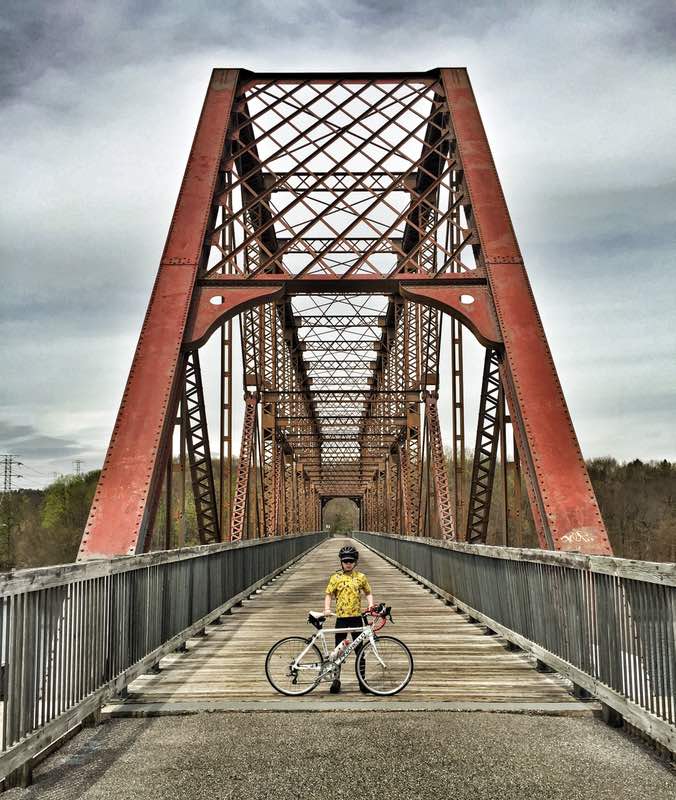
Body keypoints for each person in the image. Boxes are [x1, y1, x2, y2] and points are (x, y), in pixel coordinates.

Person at [323, 544, 374, 694]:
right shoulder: (335, 578)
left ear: (355, 562)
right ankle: (336, 681)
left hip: (357, 618)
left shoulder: (360, 577)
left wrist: (370, 605)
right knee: (338, 652)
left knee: (360, 651)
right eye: (345, 561)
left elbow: (368, 592)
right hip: (342, 619)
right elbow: (328, 594)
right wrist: (327, 609)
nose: (348, 563)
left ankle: (362, 681)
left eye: (351, 561)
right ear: (341, 562)